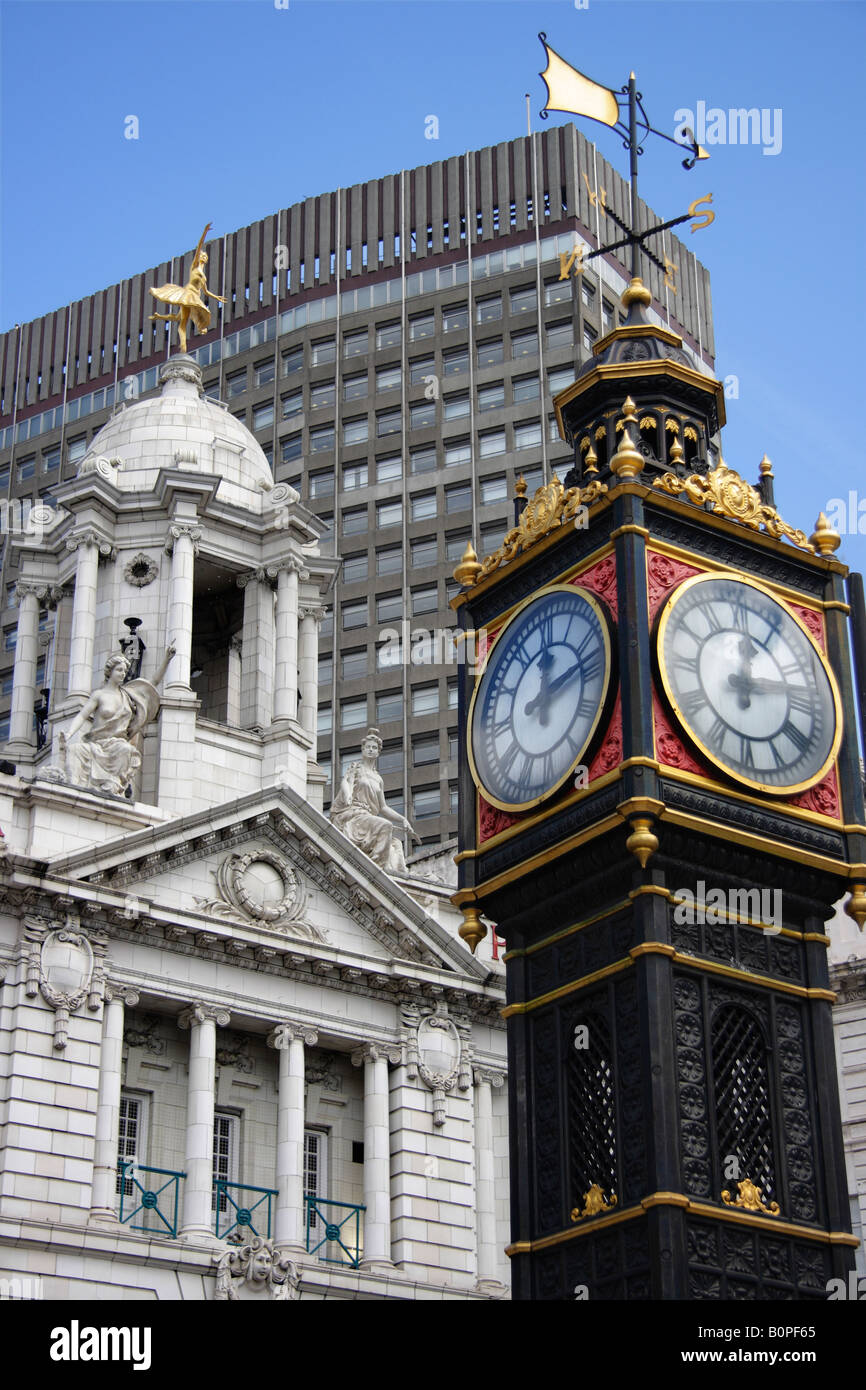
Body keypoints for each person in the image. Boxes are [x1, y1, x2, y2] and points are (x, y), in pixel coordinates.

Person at [60, 643, 175, 797]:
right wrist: (69, 733)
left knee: (126, 750)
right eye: (119, 670)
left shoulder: (129, 695)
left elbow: (153, 683)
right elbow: (82, 715)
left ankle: (112, 786)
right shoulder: (99, 695)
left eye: (124, 671)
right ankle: (72, 794)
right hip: (96, 744)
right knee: (75, 750)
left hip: (116, 745)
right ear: (110, 672)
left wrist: (166, 660)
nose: (123, 674)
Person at [329, 729, 419, 873]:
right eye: (368, 747)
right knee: (385, 826)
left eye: (374, 748)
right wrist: (348, 795)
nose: (371, 750)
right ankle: (374, 869)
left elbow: (383, 808)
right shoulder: (356, 768)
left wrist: (403, 820)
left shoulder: (378, 779)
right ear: (363, 749)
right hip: (354, 815)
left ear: (378, 752)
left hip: (368, 817)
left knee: (395, 844)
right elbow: (346, 782)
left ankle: (380, 870)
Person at [149, 223, 227, 354]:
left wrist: (217, 297)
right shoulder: (194, 267)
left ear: (206, 260)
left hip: (195, 297)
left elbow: (205, 291)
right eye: (202, 255)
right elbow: (199, 247)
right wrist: (205, 232)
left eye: (204, 256)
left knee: (182, 318)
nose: (202, 256)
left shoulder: (204, 277)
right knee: (183, 321)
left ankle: (160, 317)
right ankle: (183, 346)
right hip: (187, 294)